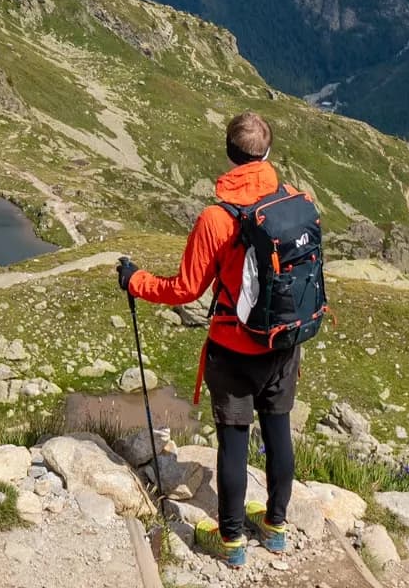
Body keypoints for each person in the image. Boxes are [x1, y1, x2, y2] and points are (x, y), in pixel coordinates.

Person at [116, 112, 308, 568]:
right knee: (279, 432)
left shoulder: (216, 219)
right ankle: (277, 527)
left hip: (234, 348)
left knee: (234, 441)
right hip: (283, 343)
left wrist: (135, 280)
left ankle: (232, 540)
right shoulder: (295, 201)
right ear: (267, 153)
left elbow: (185, 289)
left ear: (229, 154)